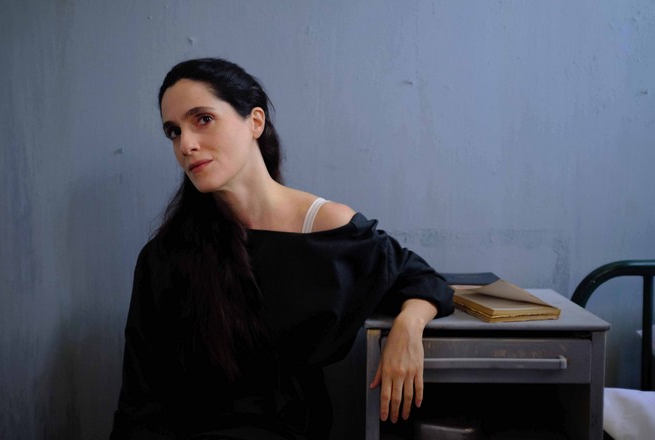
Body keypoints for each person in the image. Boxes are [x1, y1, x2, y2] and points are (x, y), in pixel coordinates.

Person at [109, 57, 454, 440]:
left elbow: (422, 280)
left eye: (203, 119)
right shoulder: (164, 256)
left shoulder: (325, 229)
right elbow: (140, 401)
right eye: (173, 132)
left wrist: (408, 327)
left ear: (255, 122)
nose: (186, 145)